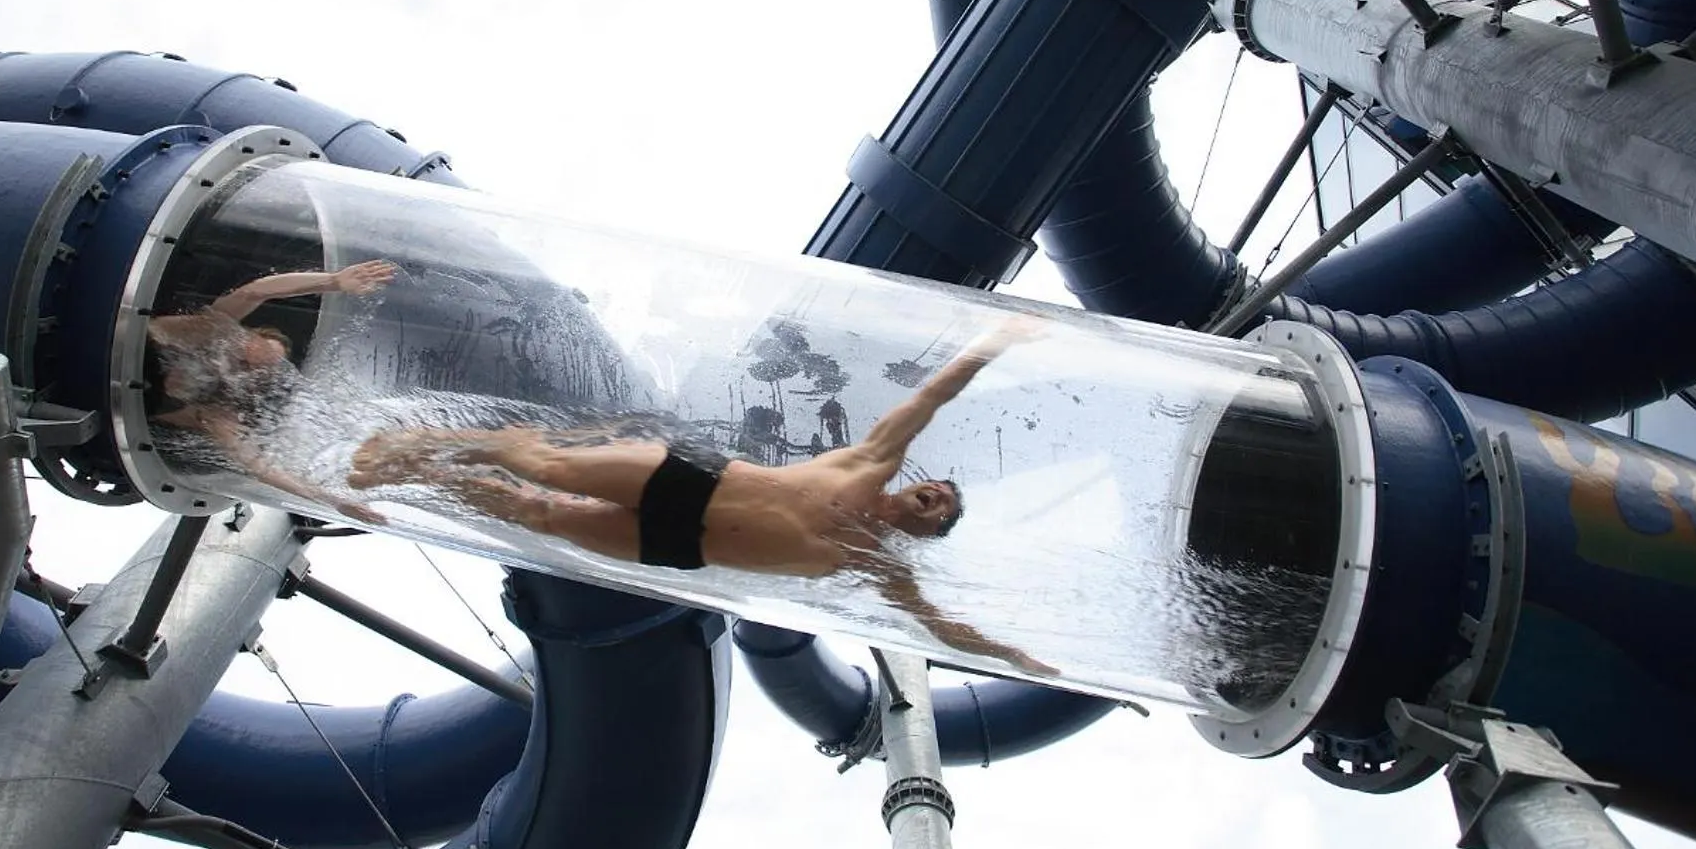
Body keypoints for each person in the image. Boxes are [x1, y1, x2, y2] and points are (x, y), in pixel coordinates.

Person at [348, 315, 1055, 674]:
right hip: (689, 479)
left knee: (545, 517)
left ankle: (417, 473)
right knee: (548, 467)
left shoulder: (878, 565)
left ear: (926, 532)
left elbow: (939, 627)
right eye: (934, 489)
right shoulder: (870, 462)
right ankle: (421, 442)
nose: (931, 496)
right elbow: (932, 394)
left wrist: (1021, 659)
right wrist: (1000, 339)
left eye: (939, 510)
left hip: (680, 545)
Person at [148, 259, 398, 514]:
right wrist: (333, 281)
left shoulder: (216, 412)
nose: (250, 363)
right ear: (248, 334)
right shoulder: (211, 330)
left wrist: (333, 502)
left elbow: (260, 467)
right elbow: (258, 290)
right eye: (255, 351)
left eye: (259, 369)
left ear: (256, 384)